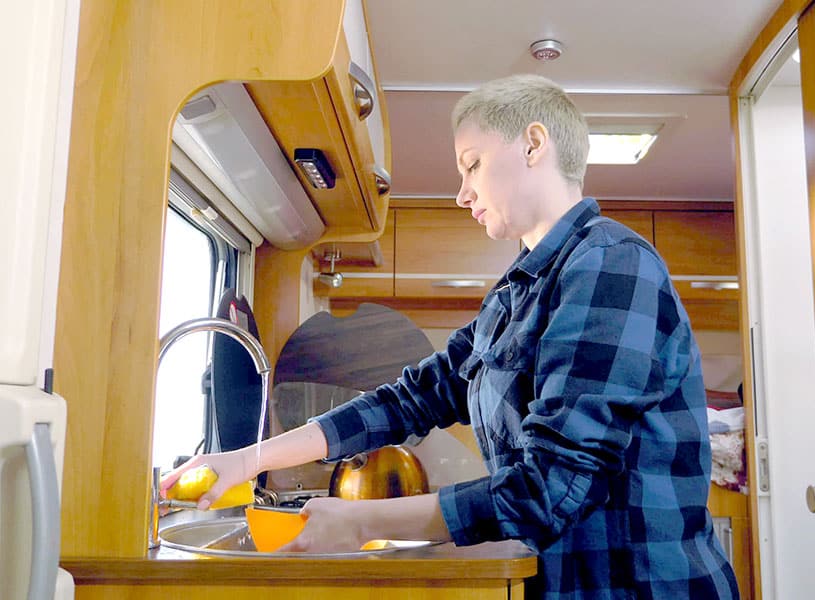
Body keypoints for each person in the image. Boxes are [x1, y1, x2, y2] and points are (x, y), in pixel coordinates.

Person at [162, 74, 739, 599]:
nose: (462, 191)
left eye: (472, 164)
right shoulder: (516, 292)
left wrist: (361, 520)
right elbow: (412, 397)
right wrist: (249, 458)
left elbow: (551, 488)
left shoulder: (612, 266)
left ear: (533, 145)